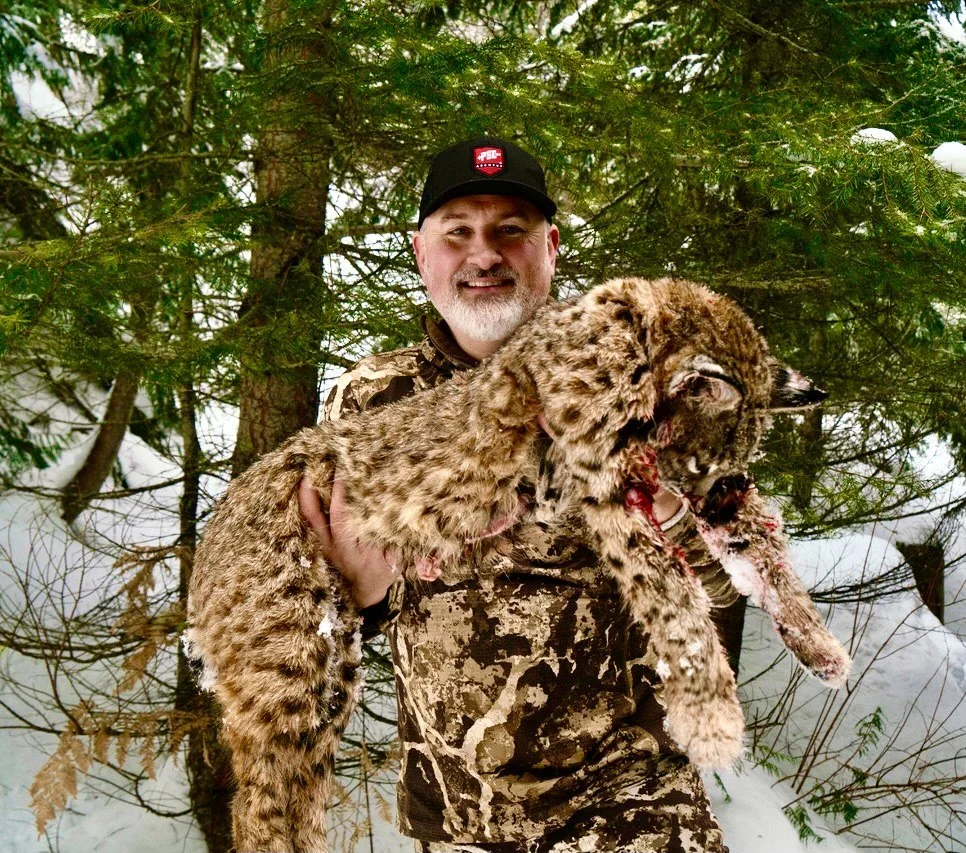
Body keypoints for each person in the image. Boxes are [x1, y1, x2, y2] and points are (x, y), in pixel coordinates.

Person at [299, 137, 737, 852]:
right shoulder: (367, 403)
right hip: (455, 819)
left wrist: (664, 508)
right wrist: (359, 594)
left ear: (551, 247)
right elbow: (316, 619)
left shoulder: (637, 381)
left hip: (630, 807)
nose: (485, 255)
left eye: (511, 230)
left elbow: (728, 584)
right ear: (421, 253)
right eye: (459, 233)